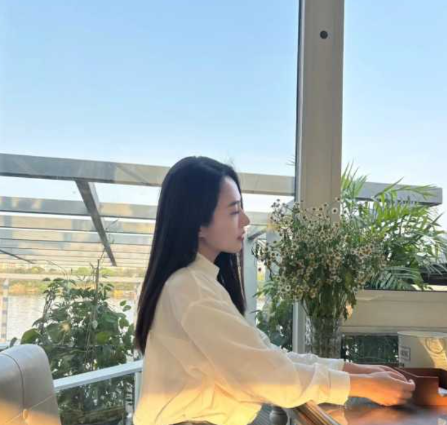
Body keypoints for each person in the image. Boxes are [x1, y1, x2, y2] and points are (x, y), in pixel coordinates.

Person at [133, 156, 415, 425]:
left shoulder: (196, 283)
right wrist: (361, 385)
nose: (245, 220)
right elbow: (265, 375)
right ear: (198, 225)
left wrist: (356, 371)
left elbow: (267, 356)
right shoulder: (190, 289)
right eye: (234, 211)